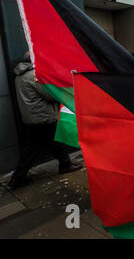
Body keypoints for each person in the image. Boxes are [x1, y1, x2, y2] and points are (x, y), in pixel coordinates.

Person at [8, 53, 81, 190]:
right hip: (42, 117)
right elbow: (49, 94)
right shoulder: (33, 75)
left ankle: (17, 178)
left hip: (32, 117)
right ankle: (64, 165)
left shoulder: (19, 75)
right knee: (50, 143)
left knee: (38, 147)